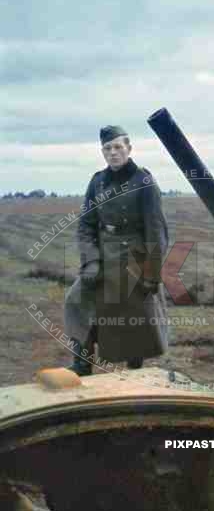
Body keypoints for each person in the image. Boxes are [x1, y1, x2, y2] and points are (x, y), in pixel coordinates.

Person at [64, 125, 169, 375]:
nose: (113, 153)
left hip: (133, 257)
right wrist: (90, 261)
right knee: (76, 301)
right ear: (102, 152)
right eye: (108, 148)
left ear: (129, 149)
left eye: (118, 147)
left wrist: (151, 273)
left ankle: (135, 368)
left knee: (134, 313)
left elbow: (156, 231)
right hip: (101, 255)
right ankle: (82, 364)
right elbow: (86, 225)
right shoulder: (97, 181)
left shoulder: (144, 181)